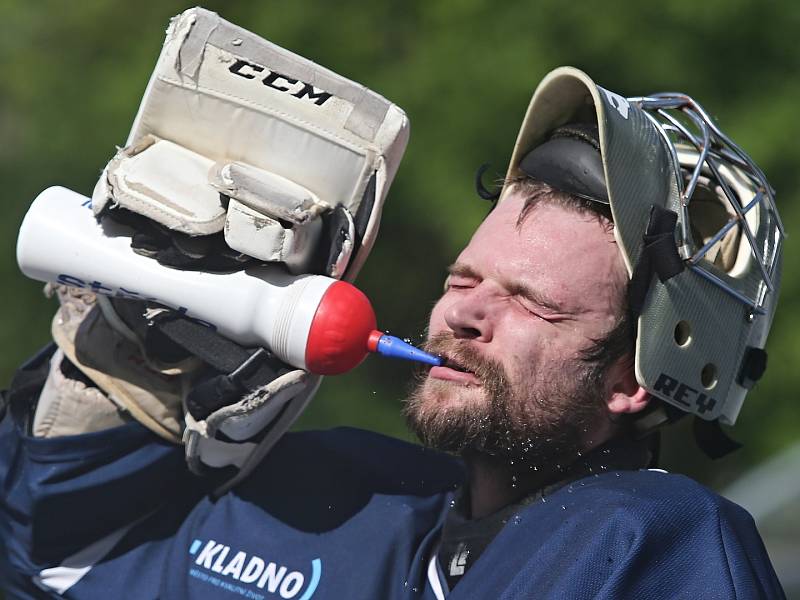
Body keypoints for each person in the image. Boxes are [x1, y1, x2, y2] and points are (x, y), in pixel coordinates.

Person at [0, 11, 786, 600]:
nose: (464, 317)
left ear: (631, 379)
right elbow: (62, 566)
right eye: (462, 280)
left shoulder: (649, 537)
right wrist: (127, 370)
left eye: (531, 303)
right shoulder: (350, 493)